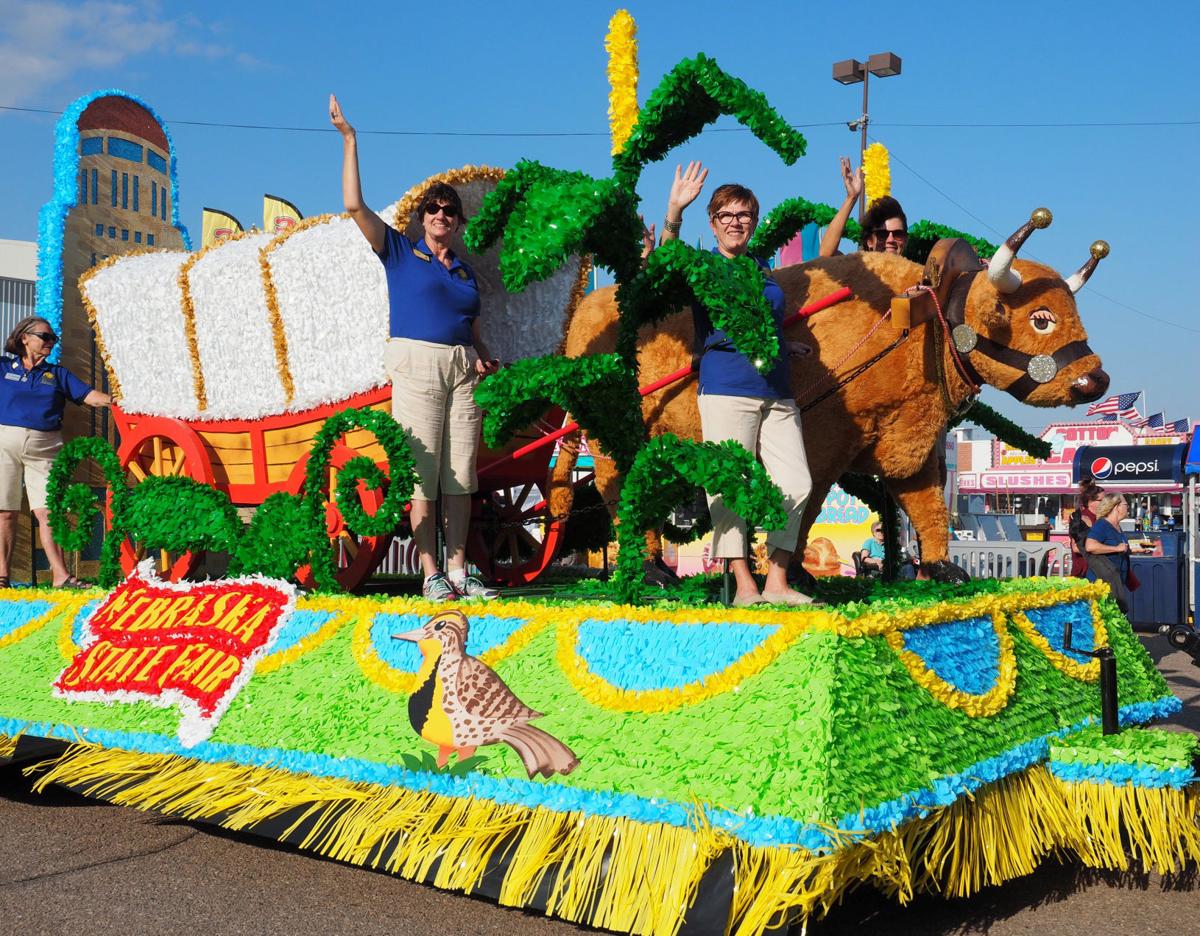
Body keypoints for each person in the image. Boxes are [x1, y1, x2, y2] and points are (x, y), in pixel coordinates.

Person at [330, 94, 498, 602]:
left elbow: (470, 325)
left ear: (458, 222)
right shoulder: (400, 252)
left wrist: (482, 354)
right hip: (416, 364)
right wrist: (350, 139)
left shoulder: (466, 273)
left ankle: (459, 570)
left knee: (460, 476)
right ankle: (431, 573)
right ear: (422, 217)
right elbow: (354, 206)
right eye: (434, 208)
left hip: (462, 370)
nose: (441, 214)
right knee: (421, 475)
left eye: (449, 210)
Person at [660, 162, 816, 606]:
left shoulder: (762, 270)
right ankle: (745, 584)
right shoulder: (705, 266)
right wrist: (675, 210)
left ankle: (777, 581)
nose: (735, 222)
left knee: (798, 483)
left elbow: (763, 323)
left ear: (754, 221)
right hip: (726, 388)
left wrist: (786, 344)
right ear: (712, 224)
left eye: (743, 214)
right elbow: (664, 264)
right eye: (725, 215)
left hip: (777, 391)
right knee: (730, 484)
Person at [0, 317, 111, 588]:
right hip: (4, 445)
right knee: (5, 512)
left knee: (49, 512)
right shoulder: (3, 367)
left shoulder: (58, 374)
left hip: (45, 448)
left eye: (54, 338)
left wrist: (116, 401)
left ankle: (61, 576)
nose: (51, 342)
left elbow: (89, 396)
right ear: (25, 338)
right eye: (45, 337)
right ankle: (2, 576)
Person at [819, 157, 909, 257]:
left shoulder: (916, 267)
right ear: (870, 241)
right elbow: (826, 254)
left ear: (905, 240)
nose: (891, 240)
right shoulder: (858, 266)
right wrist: (851, 198)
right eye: (882, 235)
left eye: (898, 234)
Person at [1085, 493, 1140, 614]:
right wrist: (1116, 548)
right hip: (1101, 584)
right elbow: (1090, 546)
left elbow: (1121, 548)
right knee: (1104, 617)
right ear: (1116, 507)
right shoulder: (1102, 525)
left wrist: (1137, 549)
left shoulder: (1117, 526)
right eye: (1125, 504)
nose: (1128, 507)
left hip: (1115, 582)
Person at [1068, 478, 1103, 577]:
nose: (1105, 503)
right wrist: (1107, 549)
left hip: (1101, 569)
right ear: (1090, 502)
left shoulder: (1104, 518)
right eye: (1101, 500)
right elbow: (1076, 548)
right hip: (1084, 570)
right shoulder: (1079, 517)